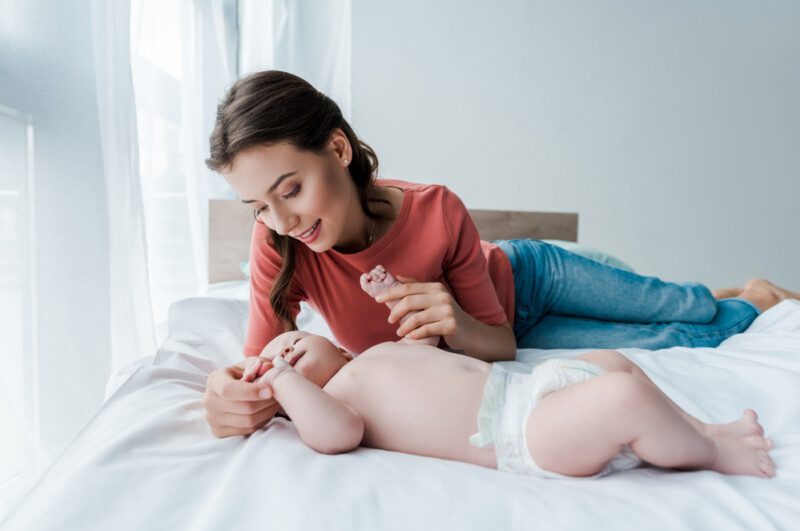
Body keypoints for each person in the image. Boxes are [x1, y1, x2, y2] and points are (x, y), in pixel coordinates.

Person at [201, 70, 800, 438]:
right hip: (498, 339)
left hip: (530, 279)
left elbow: (497, 340)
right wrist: (232, 395)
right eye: (257, 205)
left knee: (681, 304)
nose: (282, 221)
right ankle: (740, 303)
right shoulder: (277, 245)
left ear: (337, 148)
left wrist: (455, 319)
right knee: (682, 340)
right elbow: (262, 363)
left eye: (291, 190)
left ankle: (750, 292)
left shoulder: (435, 209)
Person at [237, 326, 776, 479]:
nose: (283, 350)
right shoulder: (338, 403)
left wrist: (393, 300)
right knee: (622, 396)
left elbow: (425, 353)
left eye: (291, 342)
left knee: (612, 361)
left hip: (532, 386)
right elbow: (334, 435)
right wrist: (281, 383)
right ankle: (709, 452)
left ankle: (703, 427)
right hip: (523, 434)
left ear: (333, 341)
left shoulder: (371, 355)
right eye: (279, 357)